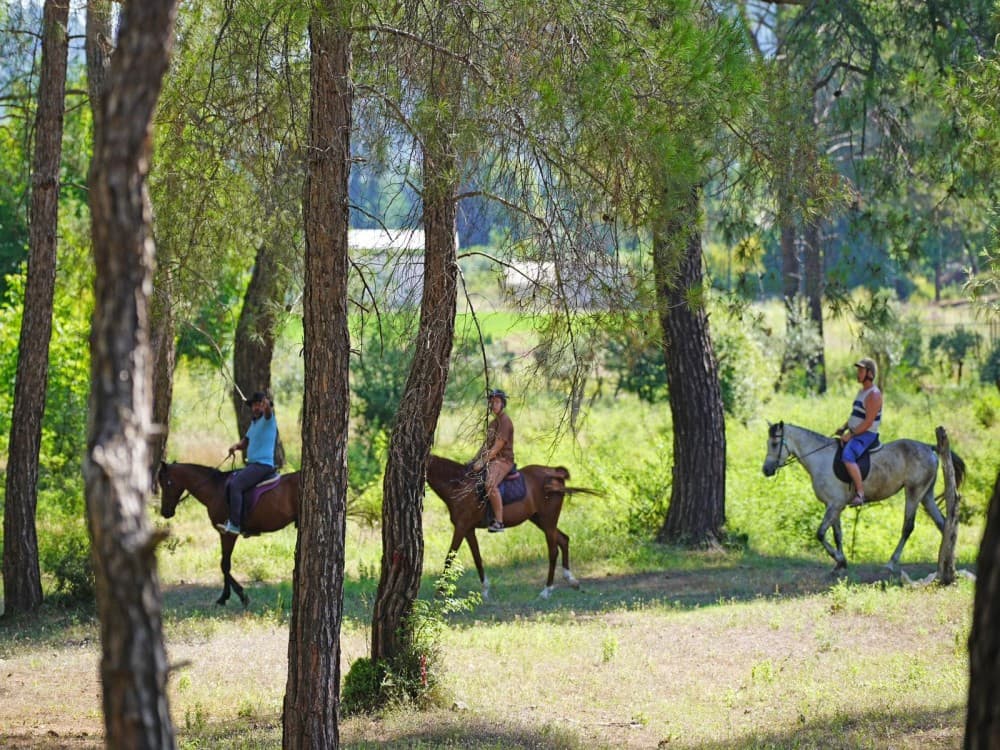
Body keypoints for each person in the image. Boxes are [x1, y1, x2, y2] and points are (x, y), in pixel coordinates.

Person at [218, 391, 278, 536]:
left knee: (236, 485)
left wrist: (266, 404)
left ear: (264, 405)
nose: (256, 407)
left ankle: (235, 525)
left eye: (259, 404)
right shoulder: (254, 424)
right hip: (253, 465)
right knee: (232, 481)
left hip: (262, 465)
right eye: (254, 405)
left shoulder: (268, 419)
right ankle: (246, 521)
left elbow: (268, 411)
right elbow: (245, 442)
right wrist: (236, 446)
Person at [836, 358, 882, 507]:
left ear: (870, 374)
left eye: (861, 371)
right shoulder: (862, 392)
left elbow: (868, 422)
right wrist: (844, 428)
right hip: (856, 431)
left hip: (867, 434)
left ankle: (860, 493)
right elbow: (855, 415)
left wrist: (850, 435)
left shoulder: (874, 394)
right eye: (858, 370)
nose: (858, 373)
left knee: (848, 455)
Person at [472, 388, 515, 533]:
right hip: (492, 458)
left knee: (490, 484)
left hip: (503, 460)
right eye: (492, 402)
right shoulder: (493, 423)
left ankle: (499, 522)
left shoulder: (505, 421)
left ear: (503, 404)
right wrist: (475, 459)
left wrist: (482, 462)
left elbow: (497, 447)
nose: (493, 405)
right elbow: (486, 445)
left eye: (497, 402)